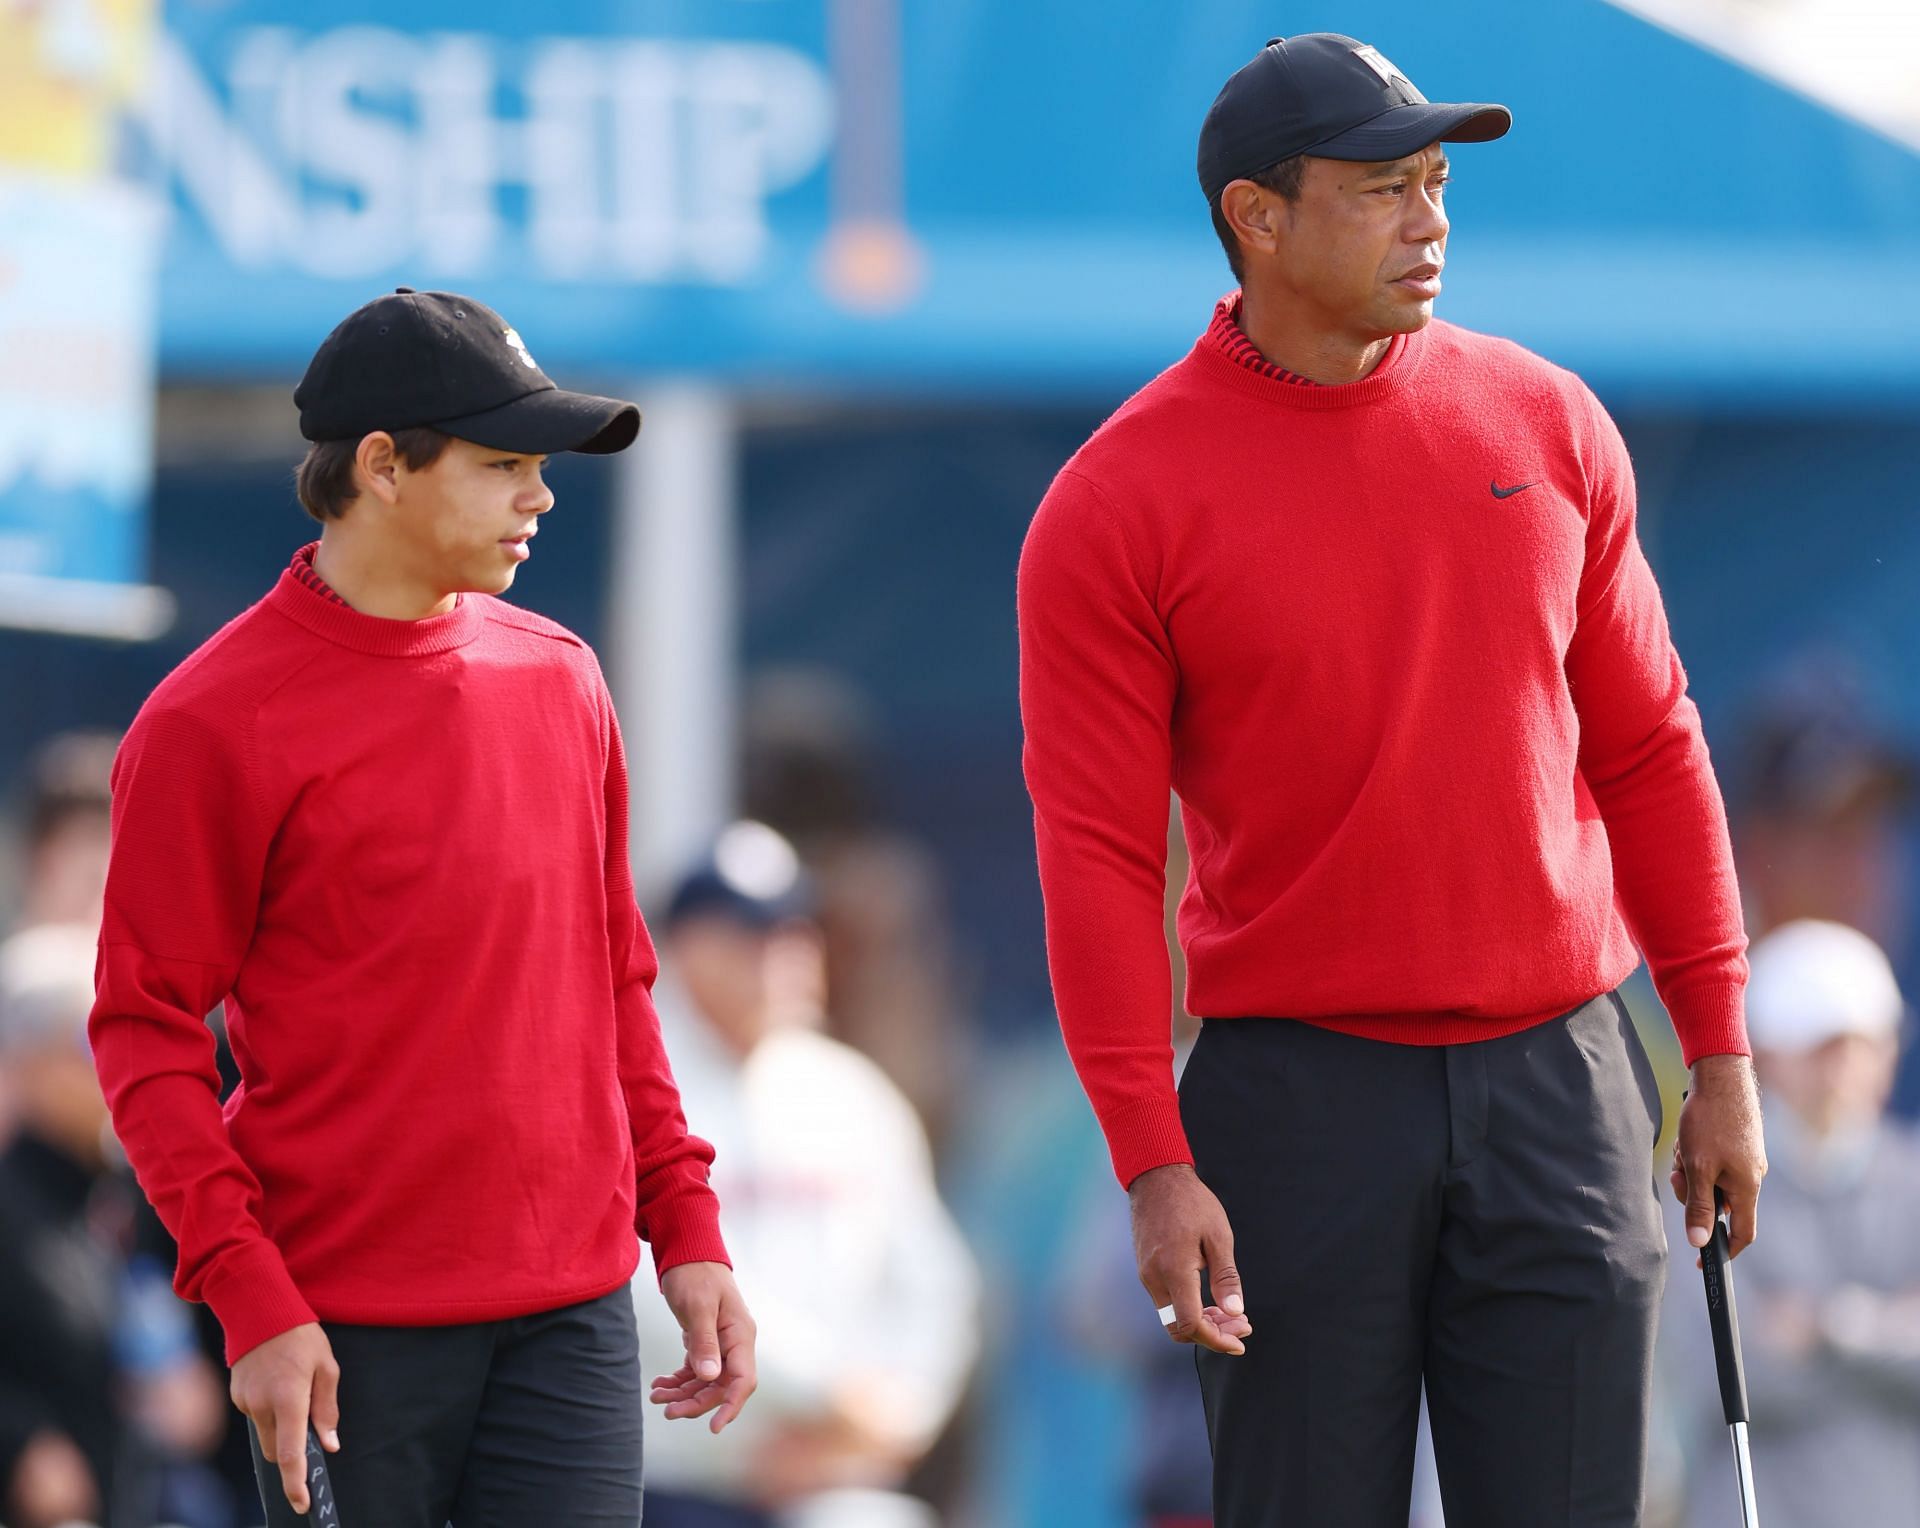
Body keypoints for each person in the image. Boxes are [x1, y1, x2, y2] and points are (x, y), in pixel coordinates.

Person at [1017, 33, 1766, 1527]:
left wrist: (1722, 1049)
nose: (1429, 220)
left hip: (1568, 1073)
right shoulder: (1117, 502)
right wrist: (1150, 1162)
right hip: (1295, 1100)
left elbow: (1651, 747)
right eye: (1381, 189)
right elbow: (1098, 855)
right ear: (1258, 217)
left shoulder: (1548, 420)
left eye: (1435, 184)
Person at [86, 288, 756, 1527]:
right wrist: (251, 1300)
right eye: (505, 463)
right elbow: (143, 1036)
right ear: (382, 466)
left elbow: (615, 984)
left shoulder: (563, 681)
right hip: (340, 1333)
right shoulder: (208, 723)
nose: (540, 496)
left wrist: (690, 1231)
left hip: (574, 1320)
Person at [635, 821, 978, 1528]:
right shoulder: (635, 1091)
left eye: (796, 931)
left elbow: (937, 1284)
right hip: (680, 1479)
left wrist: (897, 1415)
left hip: (832, 1478)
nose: (784, 955)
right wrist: (828, 1396)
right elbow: (645, 1286)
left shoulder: (851, 1094)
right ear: (688, 948)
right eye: (752, 934)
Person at [1659, 919, 1920, 1527]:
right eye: (1823, 1048)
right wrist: (1891, 1331)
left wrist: (1828, 1331)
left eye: (1863, 1046)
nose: (1844, 1069)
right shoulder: (1700, 1185)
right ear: (1769, 1056)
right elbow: (1723, 1371)